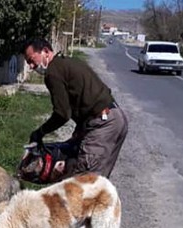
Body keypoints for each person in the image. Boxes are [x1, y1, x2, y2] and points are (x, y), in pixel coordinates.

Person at [23, 39, 128, 180]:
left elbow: (62, 113)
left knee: (84, 184)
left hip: (102, 125)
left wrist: (40, 132)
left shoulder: (53, 72)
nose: (30, 66)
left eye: (31, 60)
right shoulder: (69, 62)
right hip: (115, 118)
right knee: (99, 183)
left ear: (46, 52)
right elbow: (86, 99)